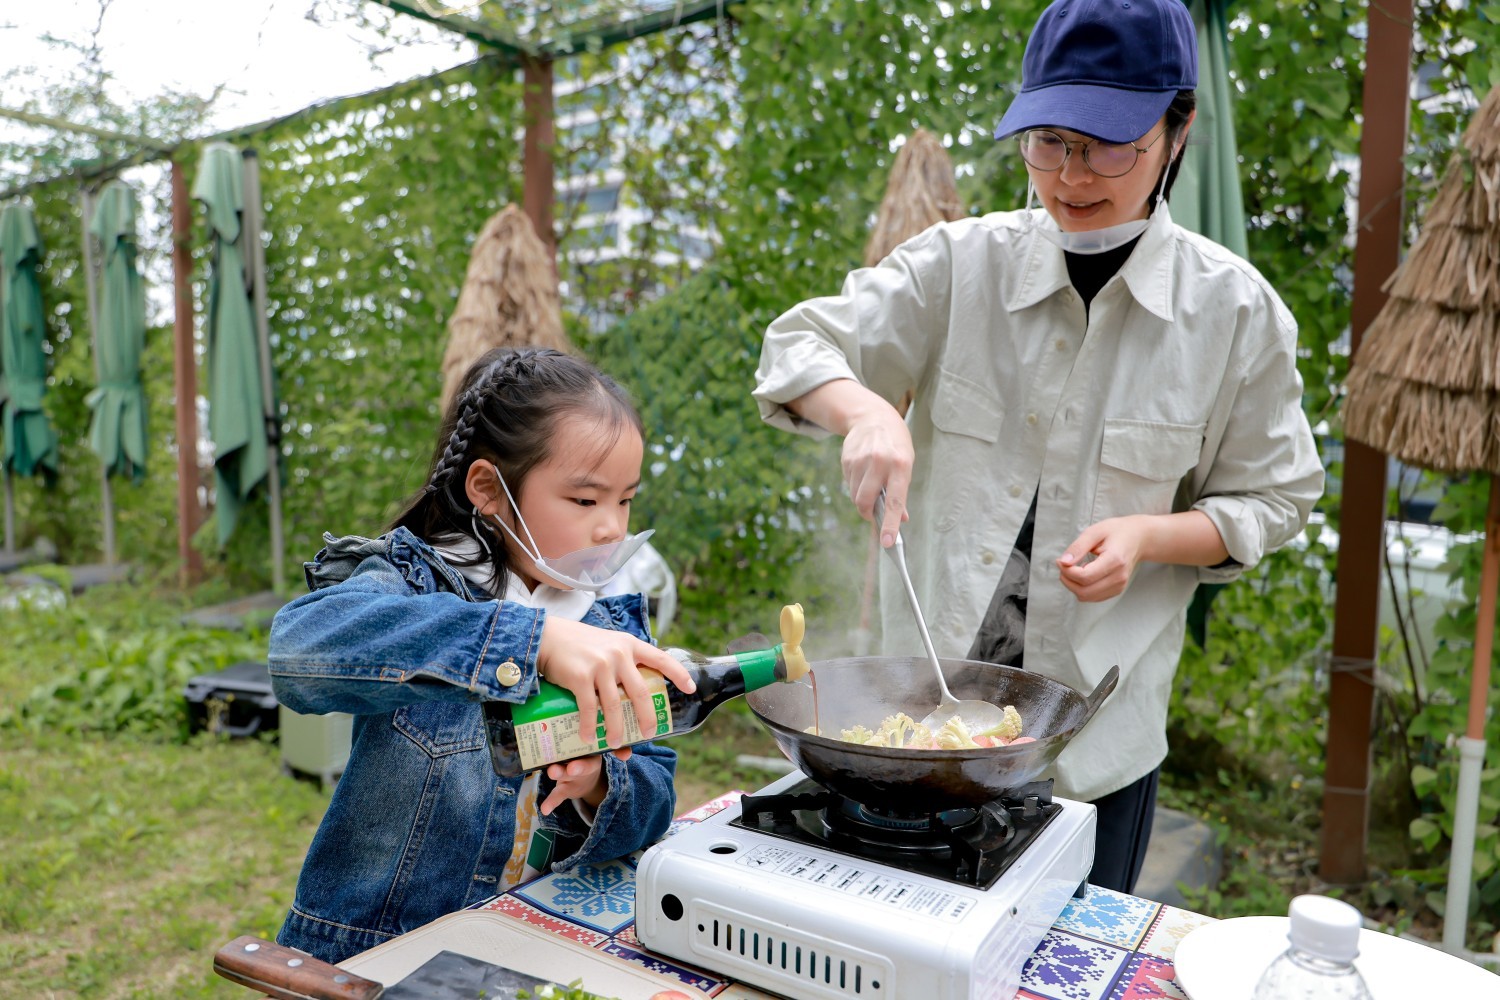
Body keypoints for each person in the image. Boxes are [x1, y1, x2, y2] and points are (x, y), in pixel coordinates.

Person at [753, 0, 1323, 894]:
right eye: (1048, 141)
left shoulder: (1235, 313)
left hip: (1095, 754)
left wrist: (1149, 536)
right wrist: (866, 412)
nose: (1071, 175)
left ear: (1178, 130)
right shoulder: (958, 265)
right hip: (918, 734)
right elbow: (796, 345)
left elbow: (1276, 497)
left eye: (1108, 145)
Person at [269, 346, 697, 963]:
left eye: (625, 500)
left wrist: (598, 784)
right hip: (379, 953)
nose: (612, 528)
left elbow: (654, 800)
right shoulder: (418, 582)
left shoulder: (606, 623)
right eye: (586, 501)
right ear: (490, 490)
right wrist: (534, 641)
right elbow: (299, 650)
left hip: (527, 946)